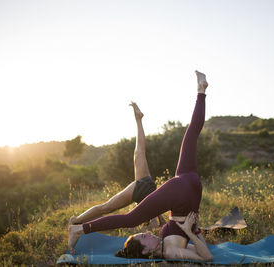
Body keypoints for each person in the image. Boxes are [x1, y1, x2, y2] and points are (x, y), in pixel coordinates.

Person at [68, 70, 213, 261]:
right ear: (146, 252)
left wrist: (192, 229)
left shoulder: (166, 248)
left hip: (190, 188)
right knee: (130, 219)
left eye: (143, 234)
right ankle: (79, 229)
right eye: (144, 237)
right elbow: (207, 257)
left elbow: (201, 250)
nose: (147, 233)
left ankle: (201, 91)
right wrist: (191, 231)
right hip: (184, 195)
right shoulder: (170, 252)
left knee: (191, 134)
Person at [69, 101, 165, 228]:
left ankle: (76, 221)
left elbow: (153, 220)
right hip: (147, 190)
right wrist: (161, 222)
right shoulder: (151, 216)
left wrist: (159, 222)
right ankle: (138, 120)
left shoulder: (150, 219)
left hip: (147, 187)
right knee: (139, 152)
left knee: (106, 207)